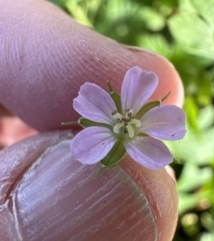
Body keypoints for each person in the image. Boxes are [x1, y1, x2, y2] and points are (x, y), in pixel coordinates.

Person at [0, 0, 184, 240]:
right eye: (125, 122)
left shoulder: (141, 137)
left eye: (129, 123)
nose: (127, 124)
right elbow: (86, 145)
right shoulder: (106, 126)